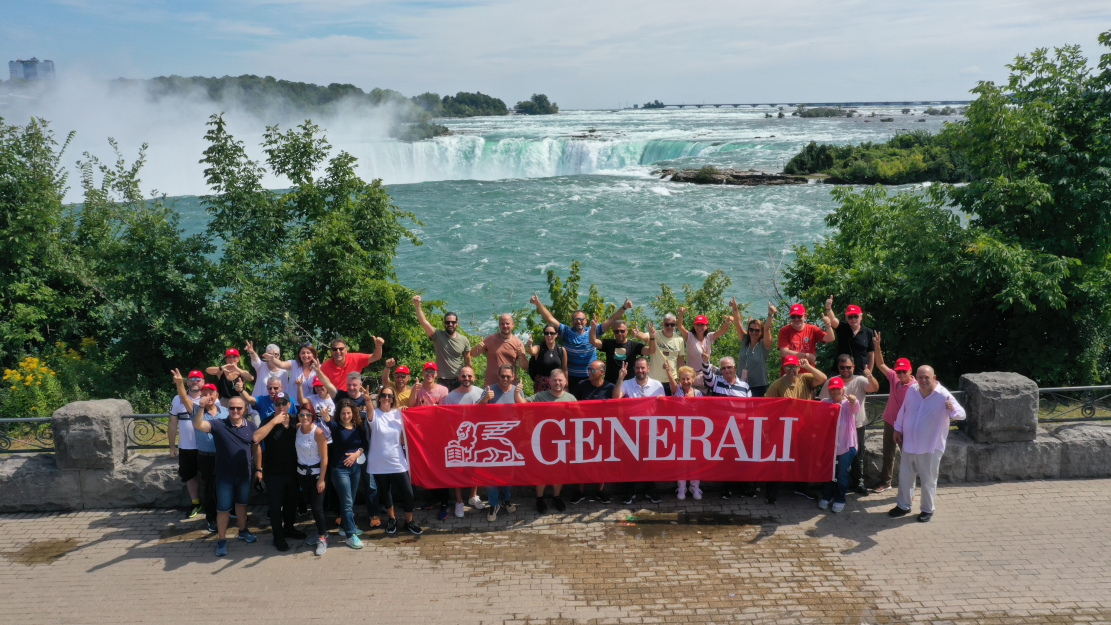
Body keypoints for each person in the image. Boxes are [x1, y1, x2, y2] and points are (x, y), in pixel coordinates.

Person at [890, 366, 966, 523]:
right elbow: (903, 410)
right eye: (921, 377)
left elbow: (961, 415)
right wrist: (897, 428)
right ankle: (903, 505)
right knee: (905, 476)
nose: (923, 381)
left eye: (927, 377)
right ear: (916, 377)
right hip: (910, 443)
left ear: (934, 377)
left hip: (930, 446)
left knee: (928, 480)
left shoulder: (943, 395)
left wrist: (951, 409)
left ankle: (927, 509)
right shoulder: (912, 390)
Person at [190, 394, 258, 557]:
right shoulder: (219, 424)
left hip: (243, 474)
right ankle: (221, 540)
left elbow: (256, 447)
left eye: (238, 408)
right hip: (224, 476)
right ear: (227, 409)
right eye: (232, 408)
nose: (235, 411)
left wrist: (259, 468)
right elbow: (198, 424)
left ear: (244, 409)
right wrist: (200, 407)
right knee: (223, 509)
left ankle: (243, 530)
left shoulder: (251, 426)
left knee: (242, 504)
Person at [530, 293, 631, 389]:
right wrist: (538, 303)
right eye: (575, 319)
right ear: (572, 321)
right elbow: (550, 319)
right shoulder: (566, 331)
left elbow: (611, 320)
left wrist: (624, 308)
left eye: (581, 319)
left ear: (586, 320)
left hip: (591, 375)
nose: (578, 321)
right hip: (572, 377)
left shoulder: (593, 330)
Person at [763, 354, 828, 504]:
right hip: (783, 429)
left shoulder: (805, 378)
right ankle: (771, 492)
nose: (792, 369)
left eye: (794, 366)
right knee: (778, 461)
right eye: (788, 367)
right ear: (784, 368)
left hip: (805, 428)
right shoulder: (777, 385)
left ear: (799, 367)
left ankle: (802, 487)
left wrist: (809, 366)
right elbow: (767, 408)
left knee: (803, 459)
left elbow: (823, 378)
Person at [515, 369, 576, 513]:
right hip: (542, 441)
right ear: (549, 381)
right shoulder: (540, 396)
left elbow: (578, 418)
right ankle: (540, 499)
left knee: (559, 471)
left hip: (562, 441)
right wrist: (517, 392)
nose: (557, 383)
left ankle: (557, 497)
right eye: (555, 380)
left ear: (565, 381)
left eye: (560, 380)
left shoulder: (571, 398)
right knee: (541, 471)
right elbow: (522, 404)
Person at [818, 355, 880, 495]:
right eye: (842, 367)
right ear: (838, 367)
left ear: (853, 366)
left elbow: (874, 388)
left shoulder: (860, 380)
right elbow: (823, 403)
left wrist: (869, 376)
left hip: (857, 424)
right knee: (834, 456)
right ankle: (834, 483)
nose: (845, 370)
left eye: (848, 367)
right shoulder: (832, 381)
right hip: (836, 428)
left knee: (858, 455)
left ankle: (858, 483)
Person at [251, 392, 306, 552]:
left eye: (284, 403)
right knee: (275, 507)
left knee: (291, 504)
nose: (281, 407)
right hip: (273, 472)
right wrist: (259, 469)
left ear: (290, 404)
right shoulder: (268, 421)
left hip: (294, 471)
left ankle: (289, 528)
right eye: (277, 404)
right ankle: (278, 536)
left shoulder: (297, 420)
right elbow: (256, 439)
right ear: (273, 405)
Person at [367, 387, 422, 535]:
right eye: (384, 395)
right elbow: (370, 414)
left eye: (390, 396)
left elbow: (415, 419)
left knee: (408, 492)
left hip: (397, 459)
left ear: (393, 398)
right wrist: (367, 399)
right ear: (379, 397)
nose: (386, 398)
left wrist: (406, 409)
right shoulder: (375, 414)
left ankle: (409, 521)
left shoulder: (399, 413)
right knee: (385, 492)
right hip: (379, 461)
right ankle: (392, 519)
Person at [613, 357, 664, 504]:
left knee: (649, 462)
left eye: (642, 368)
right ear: (633, 369)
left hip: (651, 431)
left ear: (648, 368)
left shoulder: (657, 385)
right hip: (631, 432)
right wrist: (620, 378)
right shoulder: (627, 384)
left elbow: (664, 409)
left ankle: (650, 489)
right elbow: (615, 398)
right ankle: (630, 490)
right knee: (631, 462)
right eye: (637, 368)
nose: (640, 370)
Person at [441, 367, 489, 518]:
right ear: (459, 377)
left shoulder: (482, 393)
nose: (466, 378)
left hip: (476, 438)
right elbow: (445, 418)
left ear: (474, 377)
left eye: (469, 375)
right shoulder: (451, 396)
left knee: (473, 468)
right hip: (457, 439)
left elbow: (488, 413)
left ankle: (473, 496)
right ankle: (459, 501)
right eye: (463, 375)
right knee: (458, 470)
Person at [871, 332, 913, 493]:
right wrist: (877, 345)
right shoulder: (894, 379)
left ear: (910, 370)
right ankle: (886, 482)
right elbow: (880, 364)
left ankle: (908, 486)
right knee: (888, 454)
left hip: (905, 426)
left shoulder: (916, 388)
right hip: (889, 421)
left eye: (904, 372)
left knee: (908, 456)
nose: (901, 375)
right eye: (899, 372)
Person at [568, 359, 614, 505]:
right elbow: (573, 404)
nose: (589, 372)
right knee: (582, 461)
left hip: (603, 430)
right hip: (583, 431)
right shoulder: (582, 385)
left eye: (592, 370)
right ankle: (580, 492)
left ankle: (600, 491)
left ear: (602, 372)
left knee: (603, 461)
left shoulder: (610, 388)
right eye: (589, 369)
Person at [326, 399, 369, 548]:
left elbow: (364, 444)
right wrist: (326, 416)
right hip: (339, 470)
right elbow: (328, 423)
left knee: (350, 501)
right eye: (343, 413)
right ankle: (350, 535)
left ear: (353, 413)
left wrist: (356, 454)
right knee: (347, 503)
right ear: (339, 414)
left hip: (355, 468)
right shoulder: (335, 426)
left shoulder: (358, 427)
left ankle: (345, 527)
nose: (346, 416)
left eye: (349, 413)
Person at [818, 377, 860, 513]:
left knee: (841, 474)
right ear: (829, 391)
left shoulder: (848, 403)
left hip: (846, 446)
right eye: (832, 389)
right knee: (828, 473)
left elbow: (855, 406)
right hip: (830, 447)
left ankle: (840, 499)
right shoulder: (825, 403)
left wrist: (853, 400)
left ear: (843, 389)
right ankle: (827, 496)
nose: (835, 391)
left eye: (838, 388)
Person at [168, 369, 206, 520]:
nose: (195, 381)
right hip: (186, 446)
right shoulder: (177, 399)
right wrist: (172, 446)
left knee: (210, 475)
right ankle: (196, 502)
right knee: (189, 475)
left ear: (203, 382)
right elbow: (172, 423)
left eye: (198, 379)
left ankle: (214, 502)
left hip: (205, 447)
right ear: (187, 381)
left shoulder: (209, 397)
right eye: (192, 379)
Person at [413, 295, 473, 390]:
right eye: (447, 322)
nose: (450, 324)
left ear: (457, 323)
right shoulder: (438, 335)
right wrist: (417, 305)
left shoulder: (464, 340)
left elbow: (468, 361)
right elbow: (424, 322)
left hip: (459, 379)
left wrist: (470, 377)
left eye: (453, 322)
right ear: (444, 323)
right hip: (442, 380)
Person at [664, 362, 703, 500]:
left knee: (695, 461)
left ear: (693, 379)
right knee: (681, 461)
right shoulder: (677, 391)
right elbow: (672, 382)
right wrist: (669, 371)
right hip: (679, 432)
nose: (685, 381)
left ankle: (695, 487)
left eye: (688, 379)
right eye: (683, 379)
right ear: (679, 380)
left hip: (696, 433)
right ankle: (681, 487)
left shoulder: (698, 393)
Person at [294, 408, 329, 555]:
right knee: (310, 504)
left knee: (317, 508)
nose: (305, 417)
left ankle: (322, 538)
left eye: (308, 414)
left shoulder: (318, 432)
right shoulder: (297, 428)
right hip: (302, 474)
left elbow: (324, 458)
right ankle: (321, 531)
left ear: (313, 416)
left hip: (316, 474)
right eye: (302, 414)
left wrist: (321, 479)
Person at [677, 307, 734, 389]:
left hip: (707, 369)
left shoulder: (709, 336)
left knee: (726, 373)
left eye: (702, 324)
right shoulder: (689, 336)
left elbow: (722, 331)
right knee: (712, 383)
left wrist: (728, 322)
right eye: (697, 324)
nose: (699, 326)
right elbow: (679, 326)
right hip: (695, 374)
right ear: (694, 326)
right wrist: (681, 313)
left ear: (706, 326)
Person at [633, 314, 685, 394]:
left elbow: (680, 361)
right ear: (662, 324)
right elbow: (644, 336)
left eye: (672, 324)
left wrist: (681, 378)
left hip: (671, 379)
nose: (669, 327)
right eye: (667, 324)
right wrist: (637, 333)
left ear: (675, 325)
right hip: (654, 380)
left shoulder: (679, 339)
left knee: (669, 405)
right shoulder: (655, 334)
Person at [777, 303, 835, 375]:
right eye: (793, 316)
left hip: (808, 374)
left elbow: (830, 338)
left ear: (805, 316)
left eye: (799, 316)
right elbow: (784, 352)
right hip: (789, 374)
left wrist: (828, 326)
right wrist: (807, 356)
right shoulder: (784, 330)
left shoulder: (812, 329)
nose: (796, 319)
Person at [471, 314, 526, 388]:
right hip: (491, 383)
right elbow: (473, 354)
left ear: (512, 324)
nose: (505, 326)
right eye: (502, 324)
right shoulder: (491, 339)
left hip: (509, 384)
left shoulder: (518, 342)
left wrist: (522, 355)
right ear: (499, 325)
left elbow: (524, 367)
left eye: (507, 323)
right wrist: (476, 347)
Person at [823, 298, 876, 376]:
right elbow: (833, 320)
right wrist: (828, 308)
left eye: (856, 316)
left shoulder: (868, 332)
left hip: (860, 374)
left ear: (861, 317)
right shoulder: (842, 328)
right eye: (850, 317)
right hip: (841, 372)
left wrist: (869, 372)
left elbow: (871, 354)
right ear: (846, 318)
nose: (853, 319)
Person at [591, 318, 651, 385]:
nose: (620, 333)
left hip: (629, 384)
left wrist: (652, 337)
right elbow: (593, 342)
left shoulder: (634, 345)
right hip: (610, 384)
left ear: (627, 331)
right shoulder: (609, 343)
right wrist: (593, 329)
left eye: (622, 331)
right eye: (617, 331)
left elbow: (650, 350)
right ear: (614, 332)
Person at [734, 301, 776, 397]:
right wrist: (735, 308)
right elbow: (738, 323)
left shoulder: (764, 346)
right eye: (751, 329)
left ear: (761, 332)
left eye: (757, 330)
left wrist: (770, 315)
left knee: (753, 411)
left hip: (757, 386)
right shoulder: (745, 341)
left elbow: (767, 329)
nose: (754, 332)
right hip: (740, 383)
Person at [320, 336, 384, 393]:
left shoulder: (355, 358)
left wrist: (378, 346)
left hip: (353, 397)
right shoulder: (325, 366)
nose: (338, 351)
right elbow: (322, 387)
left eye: (341, 349)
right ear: (331, 351)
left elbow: (376, 357)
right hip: (336, 399)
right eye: (335, 349)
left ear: (346, 350)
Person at [525, 323, 567, 392]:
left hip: (557, 384)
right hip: (541, 385)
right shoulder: (539, 347)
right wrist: (529, 345)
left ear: (556, 335)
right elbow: (532, 351)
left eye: (552, 333)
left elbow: (564, 369)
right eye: (546, 333)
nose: (549, 335)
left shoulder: (561, 349)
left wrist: (565, 384)